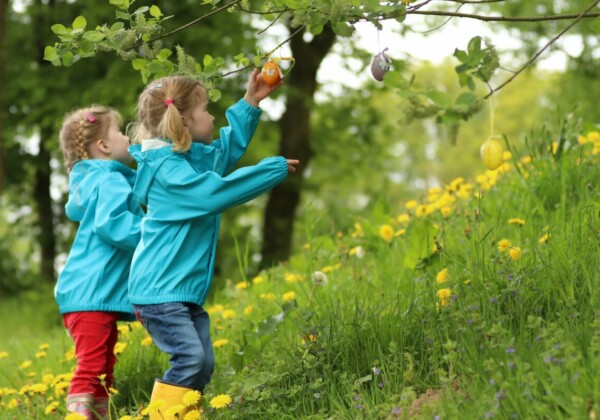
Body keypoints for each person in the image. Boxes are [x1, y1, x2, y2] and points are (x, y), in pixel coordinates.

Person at [128, 69, 298, 418]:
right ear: (184, 124)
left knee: (202, 365)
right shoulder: (169, 174)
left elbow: (221, 155)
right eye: (205, 111)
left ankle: (183, 413)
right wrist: (271, 169)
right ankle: (162, 416)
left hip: (179, 291)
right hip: (160, 292)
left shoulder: (185, 161)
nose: (211, 117)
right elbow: (212, 193)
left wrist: (250, 102)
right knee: (191, 359)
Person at [55, 105, 143, 419]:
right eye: (119, 132)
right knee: (92, 367)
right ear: (103, 146)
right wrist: (150, 231)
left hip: (87, 294)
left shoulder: (95, 182)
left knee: (104, 367)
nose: (125, 137)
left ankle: (98, 415)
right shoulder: (110, 181)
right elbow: (112, 224)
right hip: (90, 294)